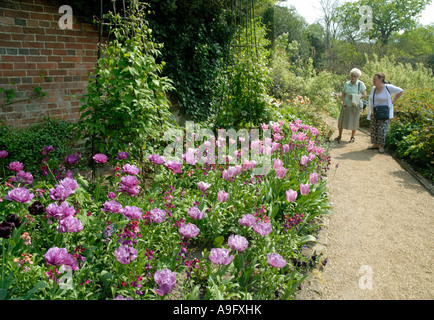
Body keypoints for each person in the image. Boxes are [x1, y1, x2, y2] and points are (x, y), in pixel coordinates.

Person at [367, 72, 403, 154]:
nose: (373, 80)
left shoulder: (388, 87)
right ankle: (375, 144)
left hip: (384, 112)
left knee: (382, 129)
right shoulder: (373, 88)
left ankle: (381, 146)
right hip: (375, 112)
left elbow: (400, 91)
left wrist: (393, 101)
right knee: (374, 129)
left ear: (381, 79)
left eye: (375, 79)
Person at [335, 68, 367, 143]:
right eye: (352, 76)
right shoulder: (347, 84)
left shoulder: (360, 84)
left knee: (354, 121)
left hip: (355, 105)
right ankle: (339, 135)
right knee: (341, 121)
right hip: (346, 105)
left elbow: (364, 95)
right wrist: (343, 102)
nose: (353, 77)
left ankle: (352, 137)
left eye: (355, 76)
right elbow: (343, 95)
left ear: (358, 77)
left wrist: (354, 96)